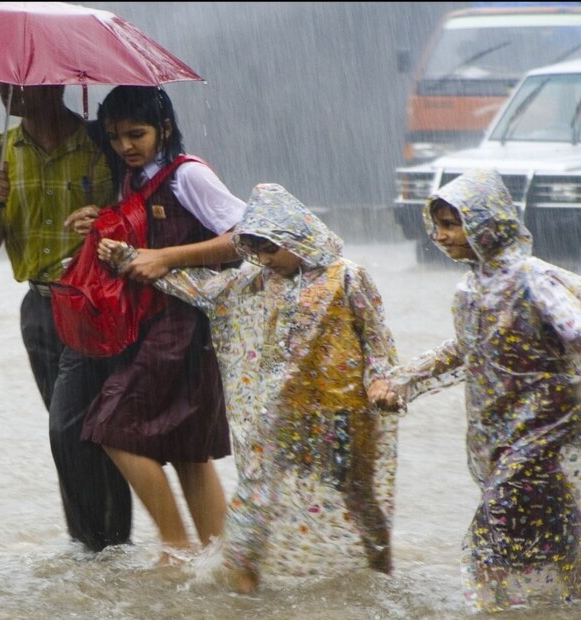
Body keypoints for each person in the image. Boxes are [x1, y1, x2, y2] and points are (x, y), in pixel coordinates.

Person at [99, 183, 403, 593]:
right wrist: (129, 258)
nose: (265, 259)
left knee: (359, 497)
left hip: (343, 413)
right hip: (280, 412)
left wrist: (381, 381)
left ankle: (382, 576)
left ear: (295, 235)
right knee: (255, 496)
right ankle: (244, 592)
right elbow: (199, 287)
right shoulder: (257, 282)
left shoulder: (347, 276)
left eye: (270, 249)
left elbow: (376, 340)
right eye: (256, 251)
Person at [392, 169, 581, 613]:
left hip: (546, 422)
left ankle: (486, 605)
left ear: (486, 224)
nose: (440, 237)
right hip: (500, 425)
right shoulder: (470, 287)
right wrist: (405, 378)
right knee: (553, 513)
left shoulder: (532, 279)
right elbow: (465, 349)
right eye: (437, 226)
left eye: (452, 224)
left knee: (492, 525)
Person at [63, 85, 246, 563]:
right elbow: (138, 238)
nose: (125, 146)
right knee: (187, 451)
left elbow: (247, 236)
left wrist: (166, 258)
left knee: (109, 427)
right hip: (152, 323)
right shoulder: (134, 177)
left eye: (136, 134)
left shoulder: (189, 175)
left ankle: (175, 548)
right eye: (115, 136)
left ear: (164, 129)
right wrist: (99, 222)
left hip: (185, 325)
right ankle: (224, 562)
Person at [0, 83, 133, 552]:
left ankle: (97, 546)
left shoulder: (104, 143)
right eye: (2, 82)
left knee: (76, 428)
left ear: (55, 84)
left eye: (20, 82)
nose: (6, 91)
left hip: (97, 302)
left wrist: (105, 220)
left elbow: (140, 216)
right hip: (39, 306)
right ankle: (103, 547)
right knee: (74, 430)